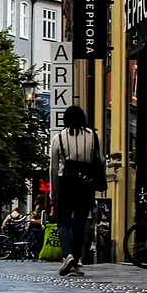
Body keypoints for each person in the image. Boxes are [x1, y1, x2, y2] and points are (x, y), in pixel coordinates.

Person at [50, 107, 104, 277]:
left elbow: (53, 166)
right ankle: (76, 261)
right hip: (85, 184)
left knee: (63, 222)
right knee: (80, 222)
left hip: (65, 183)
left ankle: (68, 255)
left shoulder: (59, 137)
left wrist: (53, 192)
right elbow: (100, 160)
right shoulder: (94, 136)